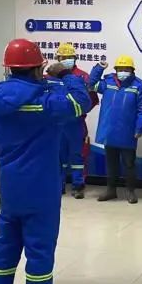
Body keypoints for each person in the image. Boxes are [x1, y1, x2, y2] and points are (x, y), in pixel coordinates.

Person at [0, 39, 91, 284]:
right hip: (42, 190)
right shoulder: (47, 102)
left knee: (4, 247)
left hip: (10, 189)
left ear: (8, 68)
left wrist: (12, 158)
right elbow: (82, 101)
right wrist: (65, 73)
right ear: (38, 68)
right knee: (39, 251)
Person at [90, 55, 142, 204]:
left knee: (129, 163)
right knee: (111, 163)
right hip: (109, 130)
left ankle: (130, 191)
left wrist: (140, 128)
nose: (123, 72)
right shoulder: (108, 82)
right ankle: (111, 190)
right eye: (120, 69)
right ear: (116, 70)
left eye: (126, 69)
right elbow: (91, 84)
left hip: (128, 131)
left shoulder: (139, 86)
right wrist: (99, 68)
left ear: (132, 70)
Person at [51, 43, 98, 199]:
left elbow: (92, 99)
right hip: (57, 123)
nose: (66, 60)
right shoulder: (51, 76)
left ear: (75, 58)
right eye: (63, 57)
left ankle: (78, 185)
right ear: (58, 59)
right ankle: (59, 185)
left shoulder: (83, 76)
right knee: (58, 155)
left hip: (76, 123)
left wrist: (80, 112)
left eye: (70, 57)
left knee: (77, 155)